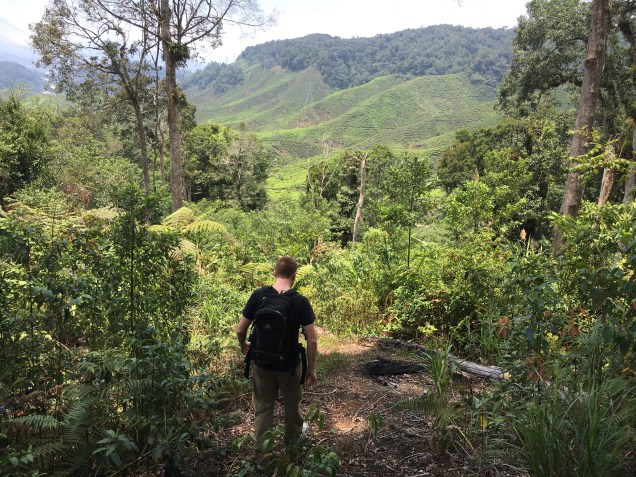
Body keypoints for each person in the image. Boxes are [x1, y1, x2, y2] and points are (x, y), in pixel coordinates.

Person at [237, 256, 318, 457]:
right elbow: (312, 339)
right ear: (294, 275)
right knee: (292, 409)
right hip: (289, 366)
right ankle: (292, 454)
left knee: (263, 409)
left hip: (262, 364)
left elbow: (240, 329)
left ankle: (262, 458)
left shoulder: (259, 296)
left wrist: (243, 345)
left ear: (275, 272)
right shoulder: (299, 301)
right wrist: (311, 369)